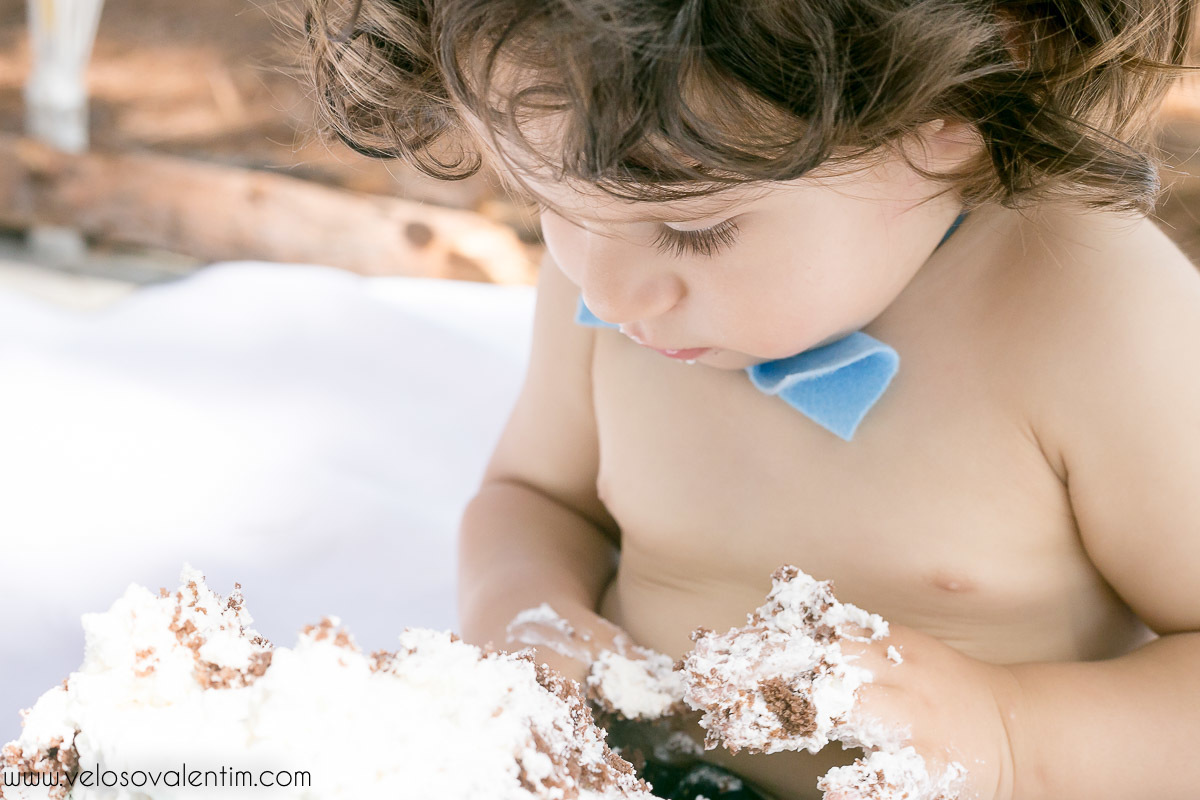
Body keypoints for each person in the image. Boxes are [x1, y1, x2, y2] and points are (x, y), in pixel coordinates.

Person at [298, 1, 1200, 798]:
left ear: (944, 115)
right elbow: (533, 498)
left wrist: (1014, 737)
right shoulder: (611, 268)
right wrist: (520, 603)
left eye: (698, 229)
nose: (606, 296)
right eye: (548, 202)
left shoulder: (1090, 309)